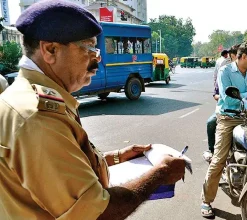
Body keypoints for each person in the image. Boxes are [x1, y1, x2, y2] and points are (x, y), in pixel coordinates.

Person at [0, 1, 185, 219]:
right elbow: (98, 212)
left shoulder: (31, 99)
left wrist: (117, 157)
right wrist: (161, 173)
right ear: (50, 50)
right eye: (89, 49)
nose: (97, 60)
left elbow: (65, 169)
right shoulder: (37, 117)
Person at [201, 42, 247, 218]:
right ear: (244, 57)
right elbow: (228, 99)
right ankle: (206, 200)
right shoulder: (225, 72)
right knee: (218, 160)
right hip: (228, 118)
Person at [203, 44, 240, 163]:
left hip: (245, 112)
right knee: (211, 122)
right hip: (227, 111)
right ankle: (212, 151)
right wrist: (224, 98)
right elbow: (216, 94)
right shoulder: (224, 72)